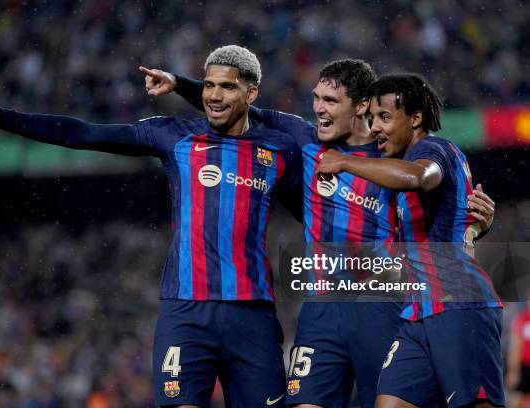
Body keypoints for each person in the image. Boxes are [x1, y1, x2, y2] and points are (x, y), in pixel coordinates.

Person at [0, 45, 304, 408]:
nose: (214, 95)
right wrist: (1, 117)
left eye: (227, 87)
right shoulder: (174, 135)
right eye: (208, 85)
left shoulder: (279, 149)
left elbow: (312, 211)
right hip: (186, 313)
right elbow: (82, 134)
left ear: (251, 93)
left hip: (253, 315)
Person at [141, 61, 496, 407]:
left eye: (330, 101)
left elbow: (431, 200)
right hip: (320, 308)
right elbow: (240, 109)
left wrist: (473, 223)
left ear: (361, 107)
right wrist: (180, 83)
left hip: (382, 302)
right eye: (316, 98)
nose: (318, 108)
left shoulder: (392, 155)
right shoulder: (305, 139)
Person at [317, 73, 503, 408]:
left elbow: (420, 178)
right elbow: (451, 219)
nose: (375, 127)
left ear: (415, 118)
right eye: (372, 118)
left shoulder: (433, 149)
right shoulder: (404, 164)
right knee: (390, 402)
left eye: (385, 117)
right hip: (418, 312)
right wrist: (477, 228)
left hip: (457, 302)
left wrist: (344, 162)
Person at [506, 295, 530, 408]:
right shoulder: (522, 319)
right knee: (517, 400)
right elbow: (515, 347)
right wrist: (514, 371)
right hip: (525, 366)